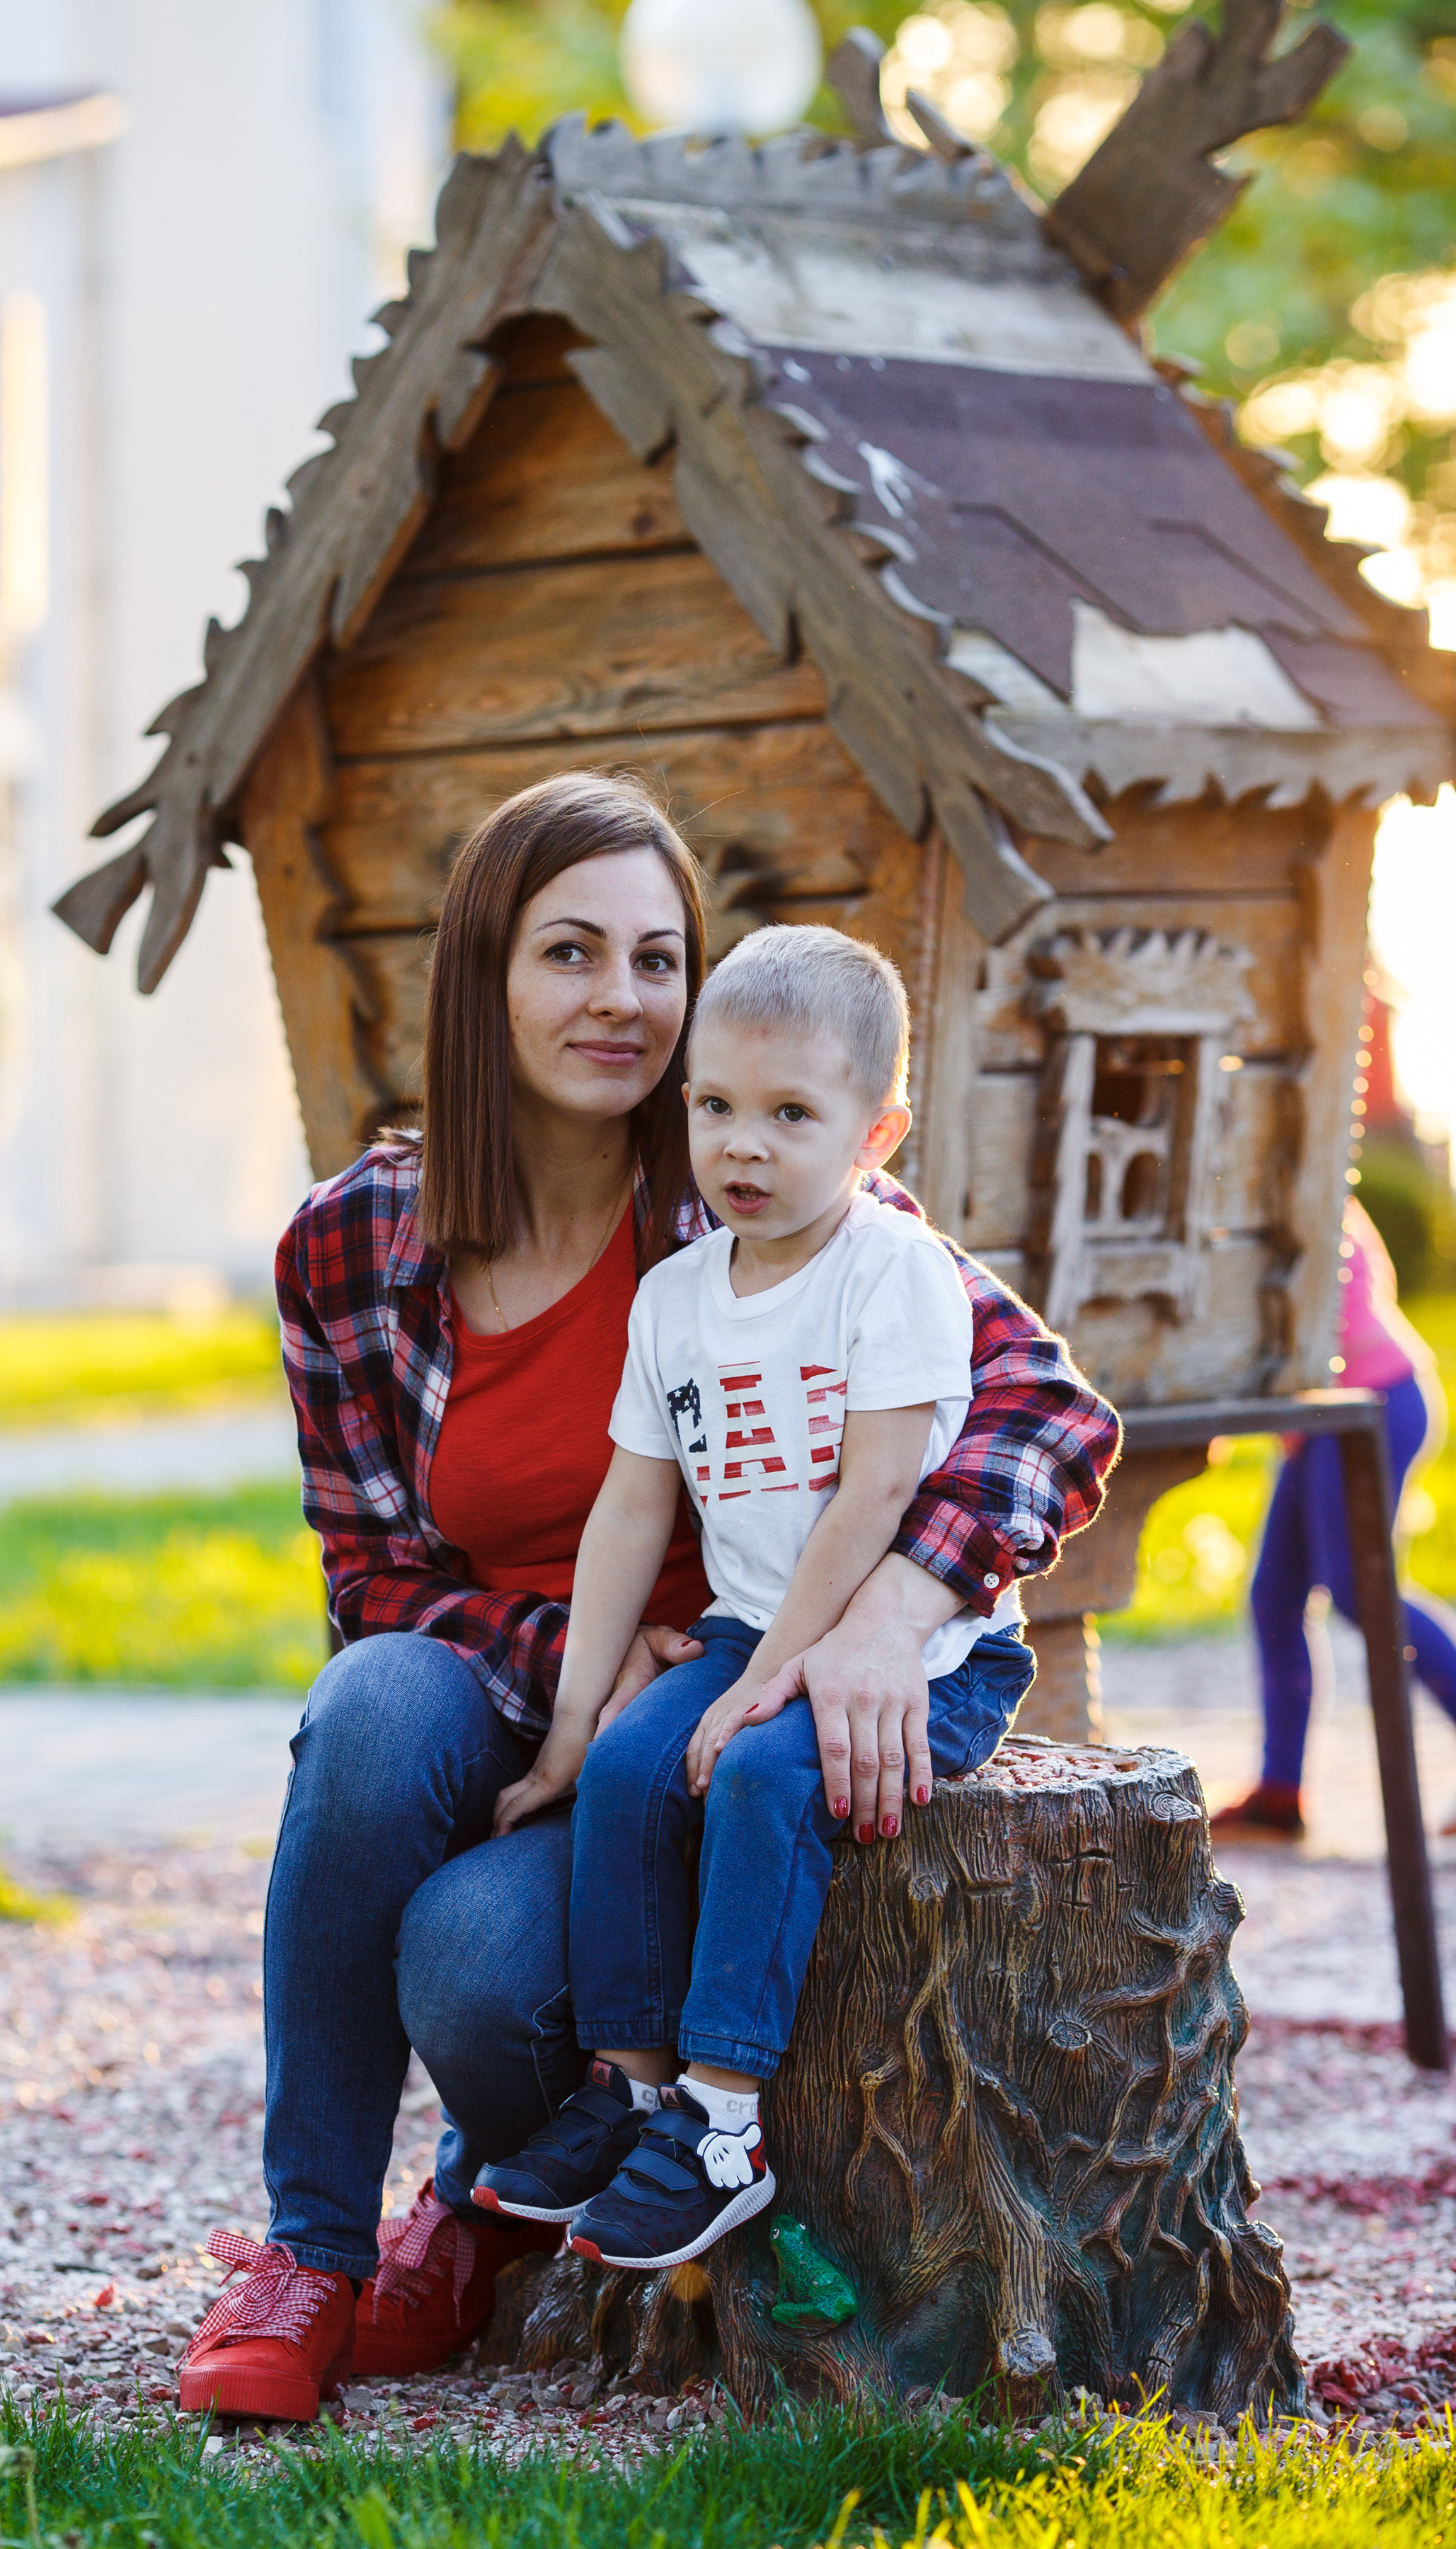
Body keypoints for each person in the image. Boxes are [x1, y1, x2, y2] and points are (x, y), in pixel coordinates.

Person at [171, 772, 1119, 2425]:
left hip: (708, 1721)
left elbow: (1040, 1405)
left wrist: (895, 1607)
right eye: (567, 951)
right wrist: (581, 1674)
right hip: (515, 1705)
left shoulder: (751, 1188)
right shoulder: (350, 1245)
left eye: (655, 957)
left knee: (470, 1966)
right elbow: (377, 1578)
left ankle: (470, 2210)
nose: (620, 998)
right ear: (483, 974)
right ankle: (310, 2253)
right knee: (368, 1701)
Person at [470, 926, 1034, 2269]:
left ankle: (727, 2127)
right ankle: (633, 2086)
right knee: (626, 1765)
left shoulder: (893, 1272)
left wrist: (774, 1674)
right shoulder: (674, 1297)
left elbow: (878, 1496)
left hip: (931, 1656)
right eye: (718, 1107)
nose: (746, 1146)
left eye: (793, 1115)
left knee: (769, 1780)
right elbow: (631, 1505)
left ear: (876, 1130)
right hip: (747, 1632)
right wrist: (566, 1727)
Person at [1213, 1198, 1456, 1842]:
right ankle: (1280, 1792)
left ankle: (1281, 1789)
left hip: (1375, 1400)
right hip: (1326, 1418)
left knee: (1357, 1591)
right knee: (1276, 1597)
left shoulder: (1307, 1185)